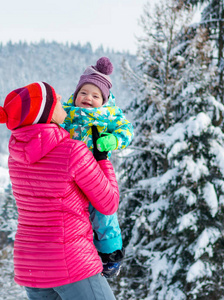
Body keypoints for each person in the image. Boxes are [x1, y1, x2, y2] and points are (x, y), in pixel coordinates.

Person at [0, 82, 119, 300]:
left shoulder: (16, 157)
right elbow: (108, 203)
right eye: (55, 99)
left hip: (30, 266)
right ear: (46, 113)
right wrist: (102, 158)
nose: (61, 97)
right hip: (71, 263)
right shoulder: (73, 152)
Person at [62, 57, 133, 278]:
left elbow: (127, 131)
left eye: (95, 96)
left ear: (104, 100)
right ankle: (81, 251)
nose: (88, 99)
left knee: (103, 213)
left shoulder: (108, 116)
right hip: (70, 175)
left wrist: (112, 141)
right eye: (83, 93)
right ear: (75, 95)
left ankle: (110, 255)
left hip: (97, 174)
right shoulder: (66, 114)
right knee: (76, 214)